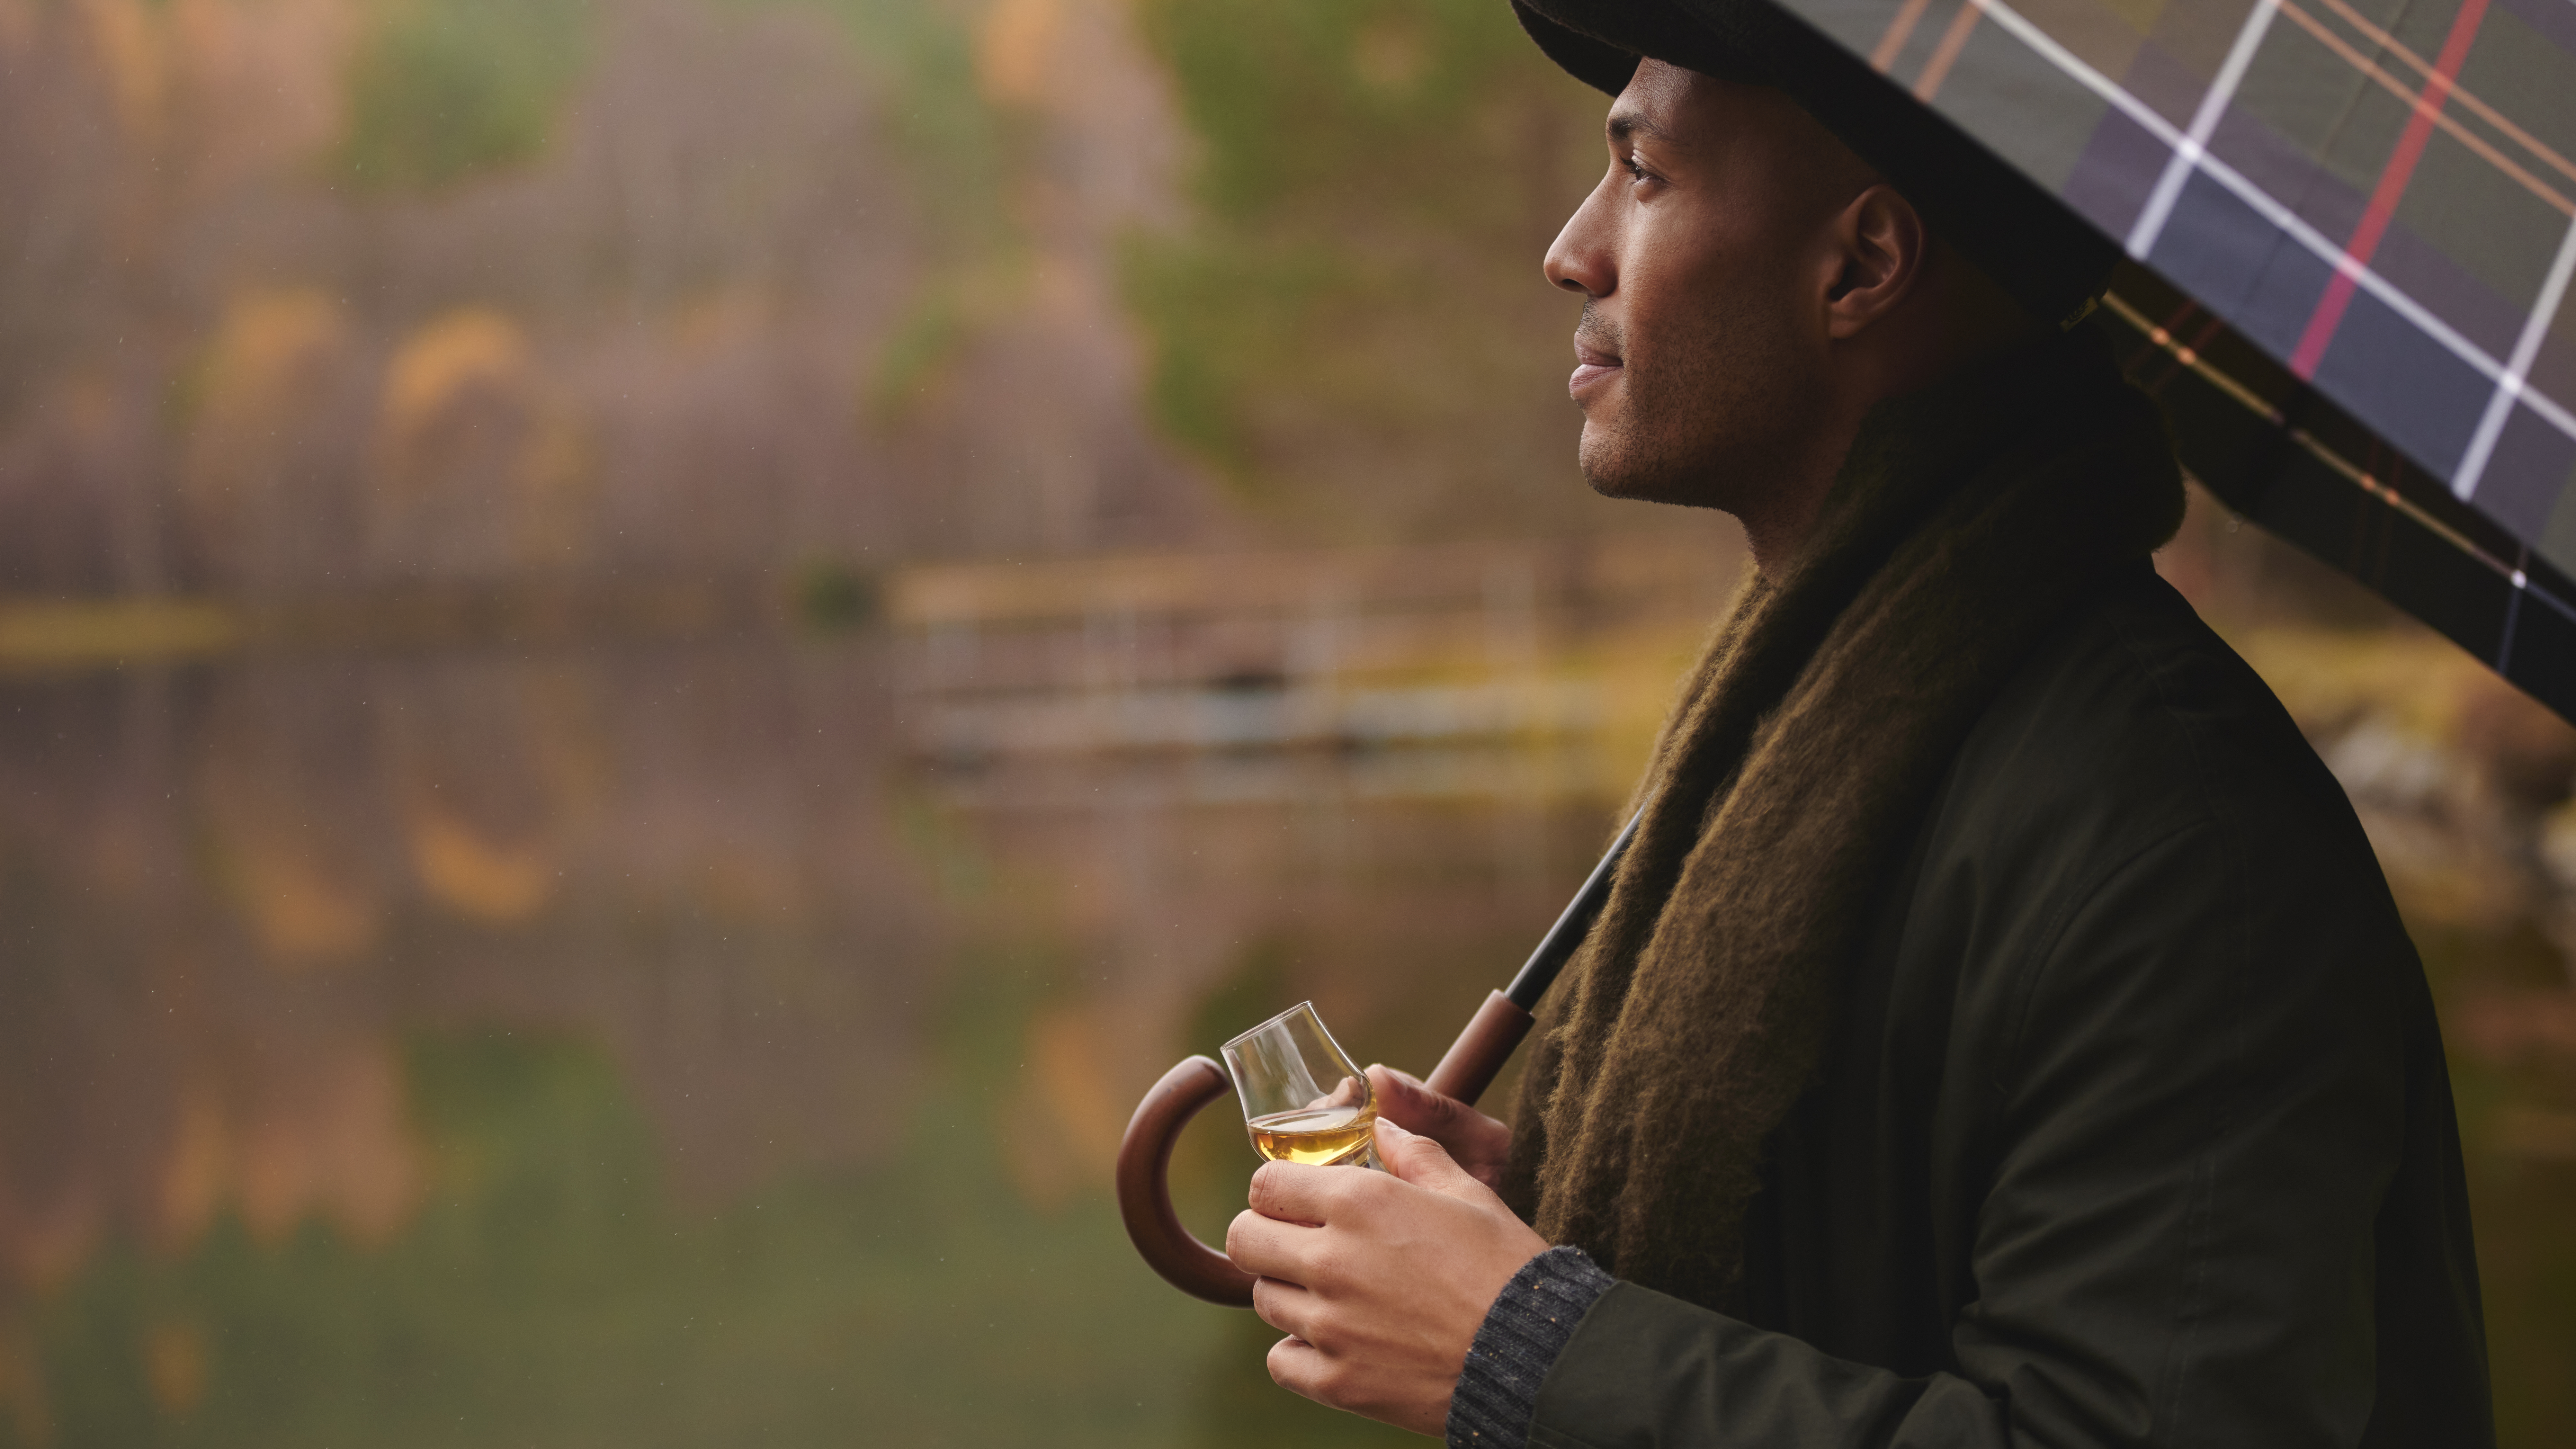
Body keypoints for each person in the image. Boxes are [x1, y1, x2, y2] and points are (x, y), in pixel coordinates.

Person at [1219, 1, 2495, 1445]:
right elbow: (1907, 1268)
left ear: (1863, 265)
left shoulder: (2183, 846)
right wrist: (1539, 1221)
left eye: (1643, 174)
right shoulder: (1827, 720)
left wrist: (1528, 1348)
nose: (1572, 248)